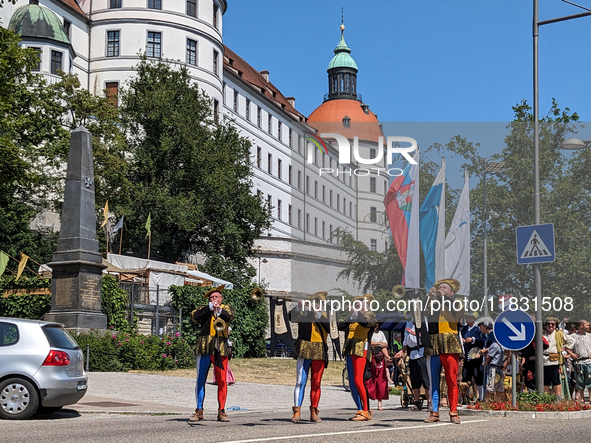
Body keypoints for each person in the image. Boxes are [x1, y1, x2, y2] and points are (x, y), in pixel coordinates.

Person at [189, 285, 233, 422]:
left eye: (216, 297)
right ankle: (199, 410)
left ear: (221, 299)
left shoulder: (226, 309)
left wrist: (219, 310)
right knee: (201, 379)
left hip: (220, 347)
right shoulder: (204, 310)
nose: (214, 300)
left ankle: (221, 411)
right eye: (212, 298)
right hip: (204, 347)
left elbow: (229, 317)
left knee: (222, 380)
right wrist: (209, 308)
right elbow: (194, 317)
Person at [424, 279, 463, 424]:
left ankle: (453, 411)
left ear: (451, 292)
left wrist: (444, 298)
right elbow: (423, 313)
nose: (440, 288)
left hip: (450, 343)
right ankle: (434, 412)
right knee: (433, 381)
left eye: (444, 287)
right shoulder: (433, 303)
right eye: (439, 287)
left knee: (451, 379)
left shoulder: (457, 302)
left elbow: (457, 313)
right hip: (433, 343)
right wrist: (429, 297)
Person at [289, 291, 330, 423]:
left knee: (316, 383)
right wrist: (299, 306)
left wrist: (316, 314)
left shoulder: (327, 315)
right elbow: (291, 317)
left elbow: (331, 327)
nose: (318, 305)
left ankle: (314, 411)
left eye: (320, 302)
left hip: (320, 350)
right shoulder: (304, 313)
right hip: (304, 349)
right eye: (316, 302)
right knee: (300, 381)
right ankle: (297, 411)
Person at [338, 294, 377, 421]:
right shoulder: (355, 317)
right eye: (357, 305)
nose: (359, 307)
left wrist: (356, 314)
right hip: (350, 349)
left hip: (361, 349)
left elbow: (365, 323)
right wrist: (351, 315)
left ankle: (366, 410)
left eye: (361, 305)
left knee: (358, 380)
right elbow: (341, 326)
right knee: (353, 382)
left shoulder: (370, 315)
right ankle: (361, 408)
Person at [543, 316, 574, 400]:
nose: (550, 326)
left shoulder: (559, 334)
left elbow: (571, 340)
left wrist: (564, 348)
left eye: (552, 324)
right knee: (545, 381)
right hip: (543, 360)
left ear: (555, 325)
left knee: (555, 380)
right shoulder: (542, 334)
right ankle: (546, 399)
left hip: (554, 360)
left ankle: (558, 398)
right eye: (548, 324)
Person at [476, 317, 506, 402]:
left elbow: (491, 352)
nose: (480, 328)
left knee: (491, 386)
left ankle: (485, 401)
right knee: (499, 387)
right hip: (498, 366)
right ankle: (498, 402)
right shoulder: (489, 336)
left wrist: (485, 361)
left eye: (481, 326)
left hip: (494, 366)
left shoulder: (493, 336)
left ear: (485, 326)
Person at [402, 318, 429, 411]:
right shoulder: (408, 323)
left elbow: (427, 337)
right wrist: (402, 351)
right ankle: (417, 402)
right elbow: (406, 340)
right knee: (414, 380)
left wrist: (415, 334)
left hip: (421, 352)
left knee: (426, 379)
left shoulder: (423, 321)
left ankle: (430, 402)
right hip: (412, 354)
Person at [366, 323, 390, 411]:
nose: (375, 326)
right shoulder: (368, 332)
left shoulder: (381, 334)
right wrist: (379, 343)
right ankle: (366, 402)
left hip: (380, 358)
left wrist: (387, 356)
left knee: (381, 380)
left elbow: (385, 346)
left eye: (376, 324)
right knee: (370, 379)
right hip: (371, 357)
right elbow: (370, 343)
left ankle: (379, 403)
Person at [565, 320, 591, 402]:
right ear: (581, 325)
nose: (589, 327)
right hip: (578, 362)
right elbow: (566, 346)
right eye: (587, 325)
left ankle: (590, 397)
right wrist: (571, 354)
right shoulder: (572, 336)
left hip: (588, 361)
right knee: (580, 381)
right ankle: (581, 397)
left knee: (590, 380)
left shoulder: (589, 336)